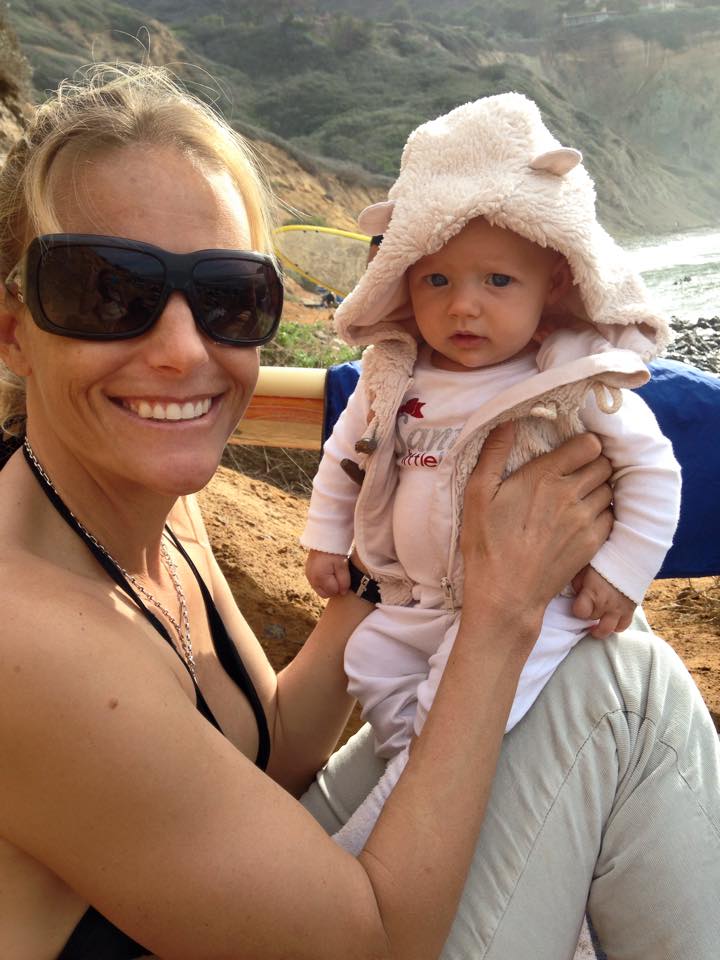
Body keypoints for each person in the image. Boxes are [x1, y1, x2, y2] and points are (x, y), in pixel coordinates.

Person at [0, 66, 717, 960]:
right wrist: (500, 611)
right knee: (622, 686)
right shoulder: (25, 638)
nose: (183, 350)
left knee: (618, 668)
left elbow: (267, 752)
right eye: (107, 292)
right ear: (13, 328)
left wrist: (401, 551)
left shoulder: (148, 512)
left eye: (229, 298)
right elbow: (372, 944)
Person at [301, 94, 683, 852]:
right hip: (414, 597)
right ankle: (417, 773)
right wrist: (324, 537)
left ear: (554, 287)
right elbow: (344, 463)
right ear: (403, 282)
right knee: (369, 659)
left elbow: (653, 471)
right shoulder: (391, 381)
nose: (463, 307)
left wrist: (621, 571)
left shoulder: (569, 381)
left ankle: (410, 812)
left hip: (536, 608)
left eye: (498, 282)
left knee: (472, 702)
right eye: (436, 281)